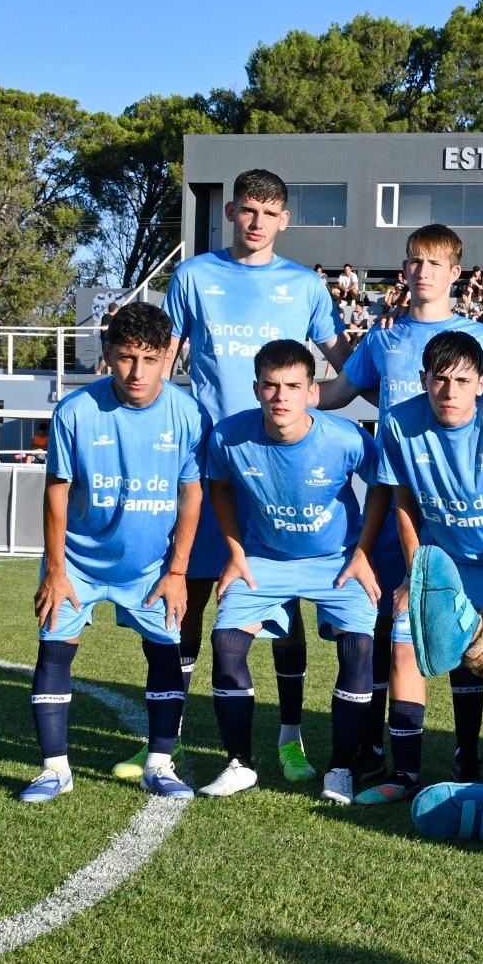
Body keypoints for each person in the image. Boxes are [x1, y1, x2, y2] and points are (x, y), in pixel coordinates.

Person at [147, 168, 350, 786]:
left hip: (283, 471)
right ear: (231, 212)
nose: (258, 221)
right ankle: (166, 742)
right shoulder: (195, 276)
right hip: (212, 466)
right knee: (188, 598)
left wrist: (352, 396)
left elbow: (343, 368)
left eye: (271, 212)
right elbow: (161, 361)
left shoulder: (306, 285)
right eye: (248, 210)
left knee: (282, 601)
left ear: (285, 219)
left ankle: (290, 738)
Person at [315, 223, 483, 786]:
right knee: (390, 625)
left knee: (459, 626)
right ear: (403, 269)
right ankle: (374, 751)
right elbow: (337, 393)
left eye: (433, 263)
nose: (421, 271)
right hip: (396, 499)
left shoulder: (478, 340)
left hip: (457, 507)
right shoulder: (383, 338)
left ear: (456, 273)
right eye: (412, 261)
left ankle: (465, 751)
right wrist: (279, 389)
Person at [21, 302, 205, 803]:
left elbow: (192, 494)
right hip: (77, 562)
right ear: (107, 355)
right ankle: (54, 770)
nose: (137, 371)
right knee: (55, 652)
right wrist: (56, 570)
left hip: (150, 568)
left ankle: (159, 765)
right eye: (126, 358)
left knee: (165, 654)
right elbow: (56, 489)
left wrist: (178, 571)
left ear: (169, 355)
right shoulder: (76, 412)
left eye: (150, 358)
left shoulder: (188, 414)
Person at [202, 339, 382, 802]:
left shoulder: (345, 437)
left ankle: (339, 768)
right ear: (256, 388)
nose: (281, 396)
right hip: (264, 560)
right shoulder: (228, 436)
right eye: (271, 386)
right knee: (226, 642)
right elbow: (218, 486)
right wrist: (235, 551)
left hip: (336, 561)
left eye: (292, 386)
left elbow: (382, 487)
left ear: (311, 390)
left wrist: (363, 551)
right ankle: (240, 764)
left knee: (360, 649)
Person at [365, 332, 483, 801]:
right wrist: (414, 573)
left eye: (462, 380)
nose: (450, 391)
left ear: (482, 382)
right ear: (423, 380)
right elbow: (404, 508)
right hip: (440, 562)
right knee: (404, 643)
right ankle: (405, 775)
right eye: (439, 380)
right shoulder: (400, 424)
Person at [95, 302, 118, 375]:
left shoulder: (115, 318)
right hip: (106, 339)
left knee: (111, 357)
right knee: (107, 356)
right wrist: (113, 325)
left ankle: (108, 373)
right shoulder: (106, 317)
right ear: (115, 309)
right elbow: (103, 328)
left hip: (113, 339)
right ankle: (98, 370)